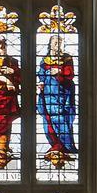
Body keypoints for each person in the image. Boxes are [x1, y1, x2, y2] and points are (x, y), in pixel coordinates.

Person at [36, 33, 77, 166]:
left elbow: (70, 74)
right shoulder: (44, 60)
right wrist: (41, 82)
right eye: (55, 43)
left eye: (60, 43)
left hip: (63, 93)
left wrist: (58, 72)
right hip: (47, 93)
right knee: (49, 117)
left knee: (61, 117)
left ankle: (65, 146)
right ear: (50, 45)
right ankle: (55, 144)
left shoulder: (67, 58)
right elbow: (41, 75)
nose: (58, 46)